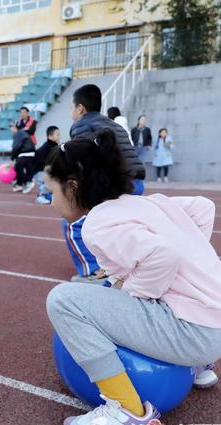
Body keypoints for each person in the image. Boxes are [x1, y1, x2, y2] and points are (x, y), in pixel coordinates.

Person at [44, 129, 221, 425]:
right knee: (121, 285)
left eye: (49, 191)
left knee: (64, 301)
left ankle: (128, 415)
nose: (48, 201)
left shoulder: (98, 224)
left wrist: (135, 292)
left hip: (196, 334)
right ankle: (198, 367)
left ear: (73, 187)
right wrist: (188, 275)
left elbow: (163, 256)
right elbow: (203, 207)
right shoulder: (145, 204)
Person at [66, 85, 146, 283]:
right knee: (121, 227)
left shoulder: (82, 125)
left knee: (72, 222)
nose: (71, 112)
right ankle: (126, 269)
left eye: (71, 107)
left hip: (116, 186)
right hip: (136, 183)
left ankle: (92, 271)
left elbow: (83, 160)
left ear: (80, 108)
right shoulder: (115, 125)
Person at [33, 125, 60, 205]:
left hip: (45, 171)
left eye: (59, 134)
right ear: (50, 136)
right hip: (39, 172)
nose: (59, 136)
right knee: (48, 179)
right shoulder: (48, 147)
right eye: (57, 134)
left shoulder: (54, 146)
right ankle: (40, 196)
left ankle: (52, 196)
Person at [10, 124, 36, 193]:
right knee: (22, 168)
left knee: (17, 167)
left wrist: (12, 158)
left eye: (11, 127)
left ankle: (28, 182)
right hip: (31, 153)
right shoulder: (23, 133)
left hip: (25, 152)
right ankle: (19, 185)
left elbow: (16, 147)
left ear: (15, 128)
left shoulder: (17, 134)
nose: (11, 129)